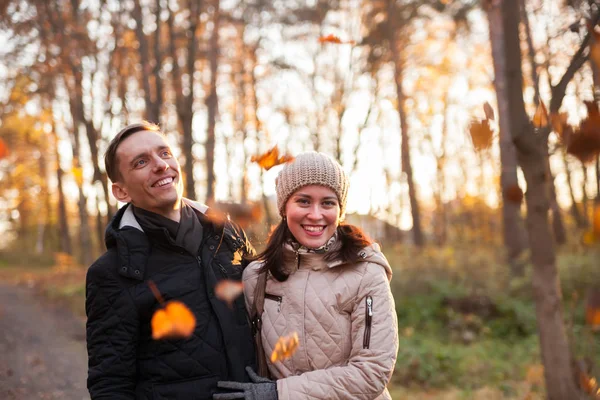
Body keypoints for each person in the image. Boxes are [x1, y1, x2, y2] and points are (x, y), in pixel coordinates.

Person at [85, 122, 256, 400]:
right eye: (141, 162)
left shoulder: (227, 234)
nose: (160, 165)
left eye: (164, 153)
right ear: (121, 192)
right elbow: (110, 383)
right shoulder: (112, 273)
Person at [215, 152, 398, 400]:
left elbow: (371, 372)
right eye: (303, 201)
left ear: (340, 209)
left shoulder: (367, 272)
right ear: (284, 207)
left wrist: (279, 393)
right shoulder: (256, 278)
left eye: (327, 203)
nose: (315, 214)